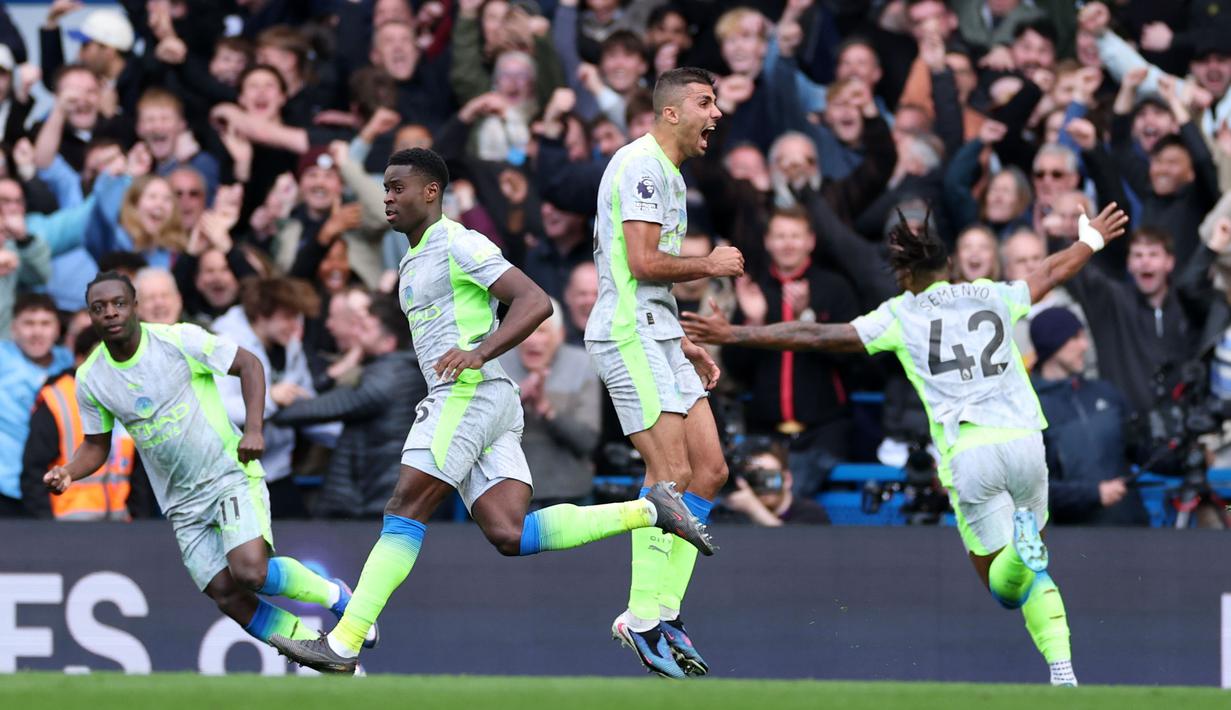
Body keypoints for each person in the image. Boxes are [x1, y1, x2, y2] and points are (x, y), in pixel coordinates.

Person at [268, 147, 712, 675]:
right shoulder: (415, 256)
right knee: (510, 533)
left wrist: (479, 351)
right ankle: (651, 510)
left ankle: (343, 643)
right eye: (384, 189)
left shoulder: (458, 242)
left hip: (468, 392)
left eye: (396, 188)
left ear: (430, 192)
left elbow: (535, 301)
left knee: (404, 508)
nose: (387, 198)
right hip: (488, 399)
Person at [683, 202, 1132, 686]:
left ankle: (1022, 557)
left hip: (970, 452)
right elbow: (1049, 271)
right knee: (1034, 571)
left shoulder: (901, 313)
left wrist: (737, 333)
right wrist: (1091, 241)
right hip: (1025, 441)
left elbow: (815, 334)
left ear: (905, 276)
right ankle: (1062, 671)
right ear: (950, 267)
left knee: (1004, 587)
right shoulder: (992, 293)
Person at [43, 271, 380, 656]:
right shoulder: (91, 378)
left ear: (134, 306)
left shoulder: (177, 340)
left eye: (119, 303)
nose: (110, 313)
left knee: (250, 572)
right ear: (90, 316)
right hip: (180, 502)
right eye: (99, 308)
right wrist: (69, 471)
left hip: (226, 474)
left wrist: (254, 429)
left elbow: (249, 365)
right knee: (225, 593)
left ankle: (338, 596)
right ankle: (313, 647)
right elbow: (96, 446)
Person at [585, 66, 741, 679]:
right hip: (626, 333)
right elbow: (644, 262)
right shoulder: (641, 166)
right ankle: (641, 615)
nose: (716, 114)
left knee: (710, 470)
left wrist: (683, 340)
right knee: (670, 472)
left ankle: (663, 610)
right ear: (671, 111)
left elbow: (646, 277)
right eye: (706, 102)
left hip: (655, 331)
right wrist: (711, 263)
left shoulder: (668, 174)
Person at [1029, 308, 1148, 526]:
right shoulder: (1029, 408)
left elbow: (1141, 449)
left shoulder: (1105, 393)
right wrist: (1093, 494)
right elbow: (1031, 488)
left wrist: (1180, 452)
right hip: (1075, 540)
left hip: (1131, 530)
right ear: (1053, 344)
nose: (1085, 346)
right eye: (1075, 338)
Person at [0, 294, 73, 515]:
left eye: (45, 323)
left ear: (58, 329)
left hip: (50, 488)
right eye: (28, 323)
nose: (37, 332)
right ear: (14, 328)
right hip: (5, 485)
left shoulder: (68, 361)